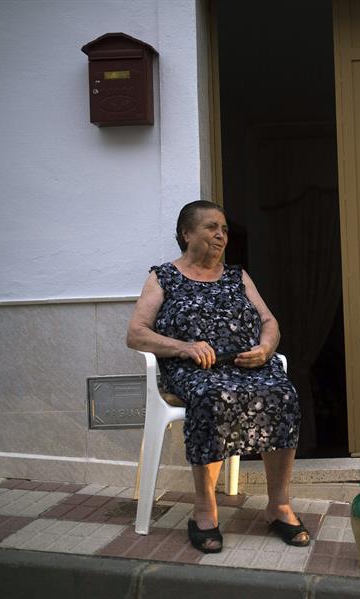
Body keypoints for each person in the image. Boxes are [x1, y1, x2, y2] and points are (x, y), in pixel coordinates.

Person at [127, 200, 309, 553]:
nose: (220, 235)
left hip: (245, 365)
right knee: (212, 397)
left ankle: (279, 504)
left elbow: (269, 321)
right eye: (211, 227)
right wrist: (185, 347)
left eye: (224, 229)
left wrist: (266, 349)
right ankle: (204, 509)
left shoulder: (236, 275)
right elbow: (136, 333)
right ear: (186, 233)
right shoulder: (163, 276)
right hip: (194, 370)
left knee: (284, 393)